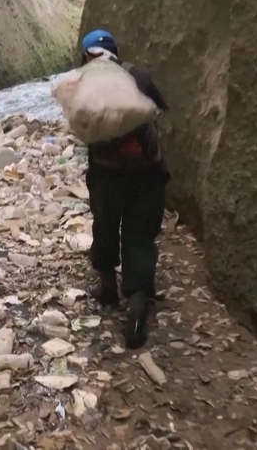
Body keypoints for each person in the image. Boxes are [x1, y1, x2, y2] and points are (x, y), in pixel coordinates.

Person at [78, 29, 169, 349]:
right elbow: (160, 107)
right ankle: (139, 303)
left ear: (87, 55)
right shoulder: (138, 75)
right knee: (141, 236)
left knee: (105, 226)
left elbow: (81, 128)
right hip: (148, 174)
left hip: (107, 175)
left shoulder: (85, 84)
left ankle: (107, 287)